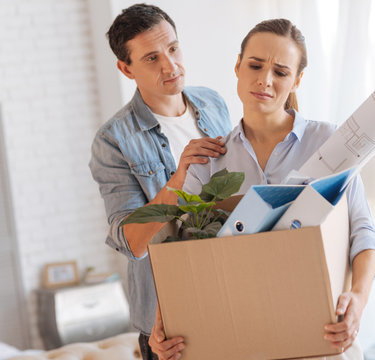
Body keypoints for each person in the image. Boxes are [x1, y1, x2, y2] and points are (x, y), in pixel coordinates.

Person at [149, 18, 375, 360]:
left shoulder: (331, 143)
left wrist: (359, 301)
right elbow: (184, 253)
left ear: (297, 81)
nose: (264, 80)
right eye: (256, 65)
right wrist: (164, 321)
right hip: (238, 339)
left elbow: (364, 231)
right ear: (238, 66)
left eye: (280, 72)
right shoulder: (208, 161)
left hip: (322, 336)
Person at [88, 4, 231, 360]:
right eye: (151, 58)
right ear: (126, 68)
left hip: (230, 290)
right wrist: (179, 178)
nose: (170, 65)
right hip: (169, 323)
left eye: (173, 48)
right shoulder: (113, 140)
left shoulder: (213, 102)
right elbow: (132, 242)